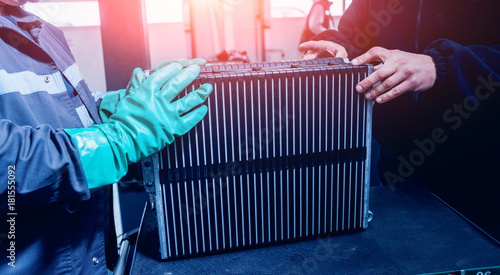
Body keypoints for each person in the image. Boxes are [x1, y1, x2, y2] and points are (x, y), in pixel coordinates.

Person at [0, 1, 212, 274]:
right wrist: (119, 138)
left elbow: (64, 115)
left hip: (92, 260)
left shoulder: (45, 32)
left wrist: (118, 106)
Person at [299, 0, 500, 240]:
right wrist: (336, 49)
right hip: (397, 176)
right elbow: (354, 39)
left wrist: (440, 64)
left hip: (479, 184)